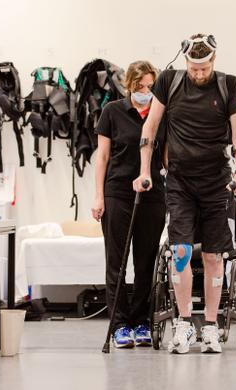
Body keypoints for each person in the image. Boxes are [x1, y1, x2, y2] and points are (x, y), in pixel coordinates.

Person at [133, 34, 236, 354]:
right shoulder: (169, 82)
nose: (200, 73)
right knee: (180, 252)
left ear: (214, 60)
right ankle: (183, 324)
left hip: (217, 183)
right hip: (180, 182)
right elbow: (150, 128)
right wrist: (145, 171)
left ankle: (210, 326)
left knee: (214, 256)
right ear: (186, 62)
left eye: (206, 67)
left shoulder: (230, 85)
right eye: (194, 68)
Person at [92, 61, 166, 348]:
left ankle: (141, 321)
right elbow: (102, 158)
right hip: (118, 193)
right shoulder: (112, 112)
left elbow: (167, 157)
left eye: (150, 87)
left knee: (146, 262)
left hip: (153, 195)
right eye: (140, 87)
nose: (146, 92)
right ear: (129, 86)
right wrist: (98, 196)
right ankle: (120, 324)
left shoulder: (162, 115)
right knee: (118, 261)